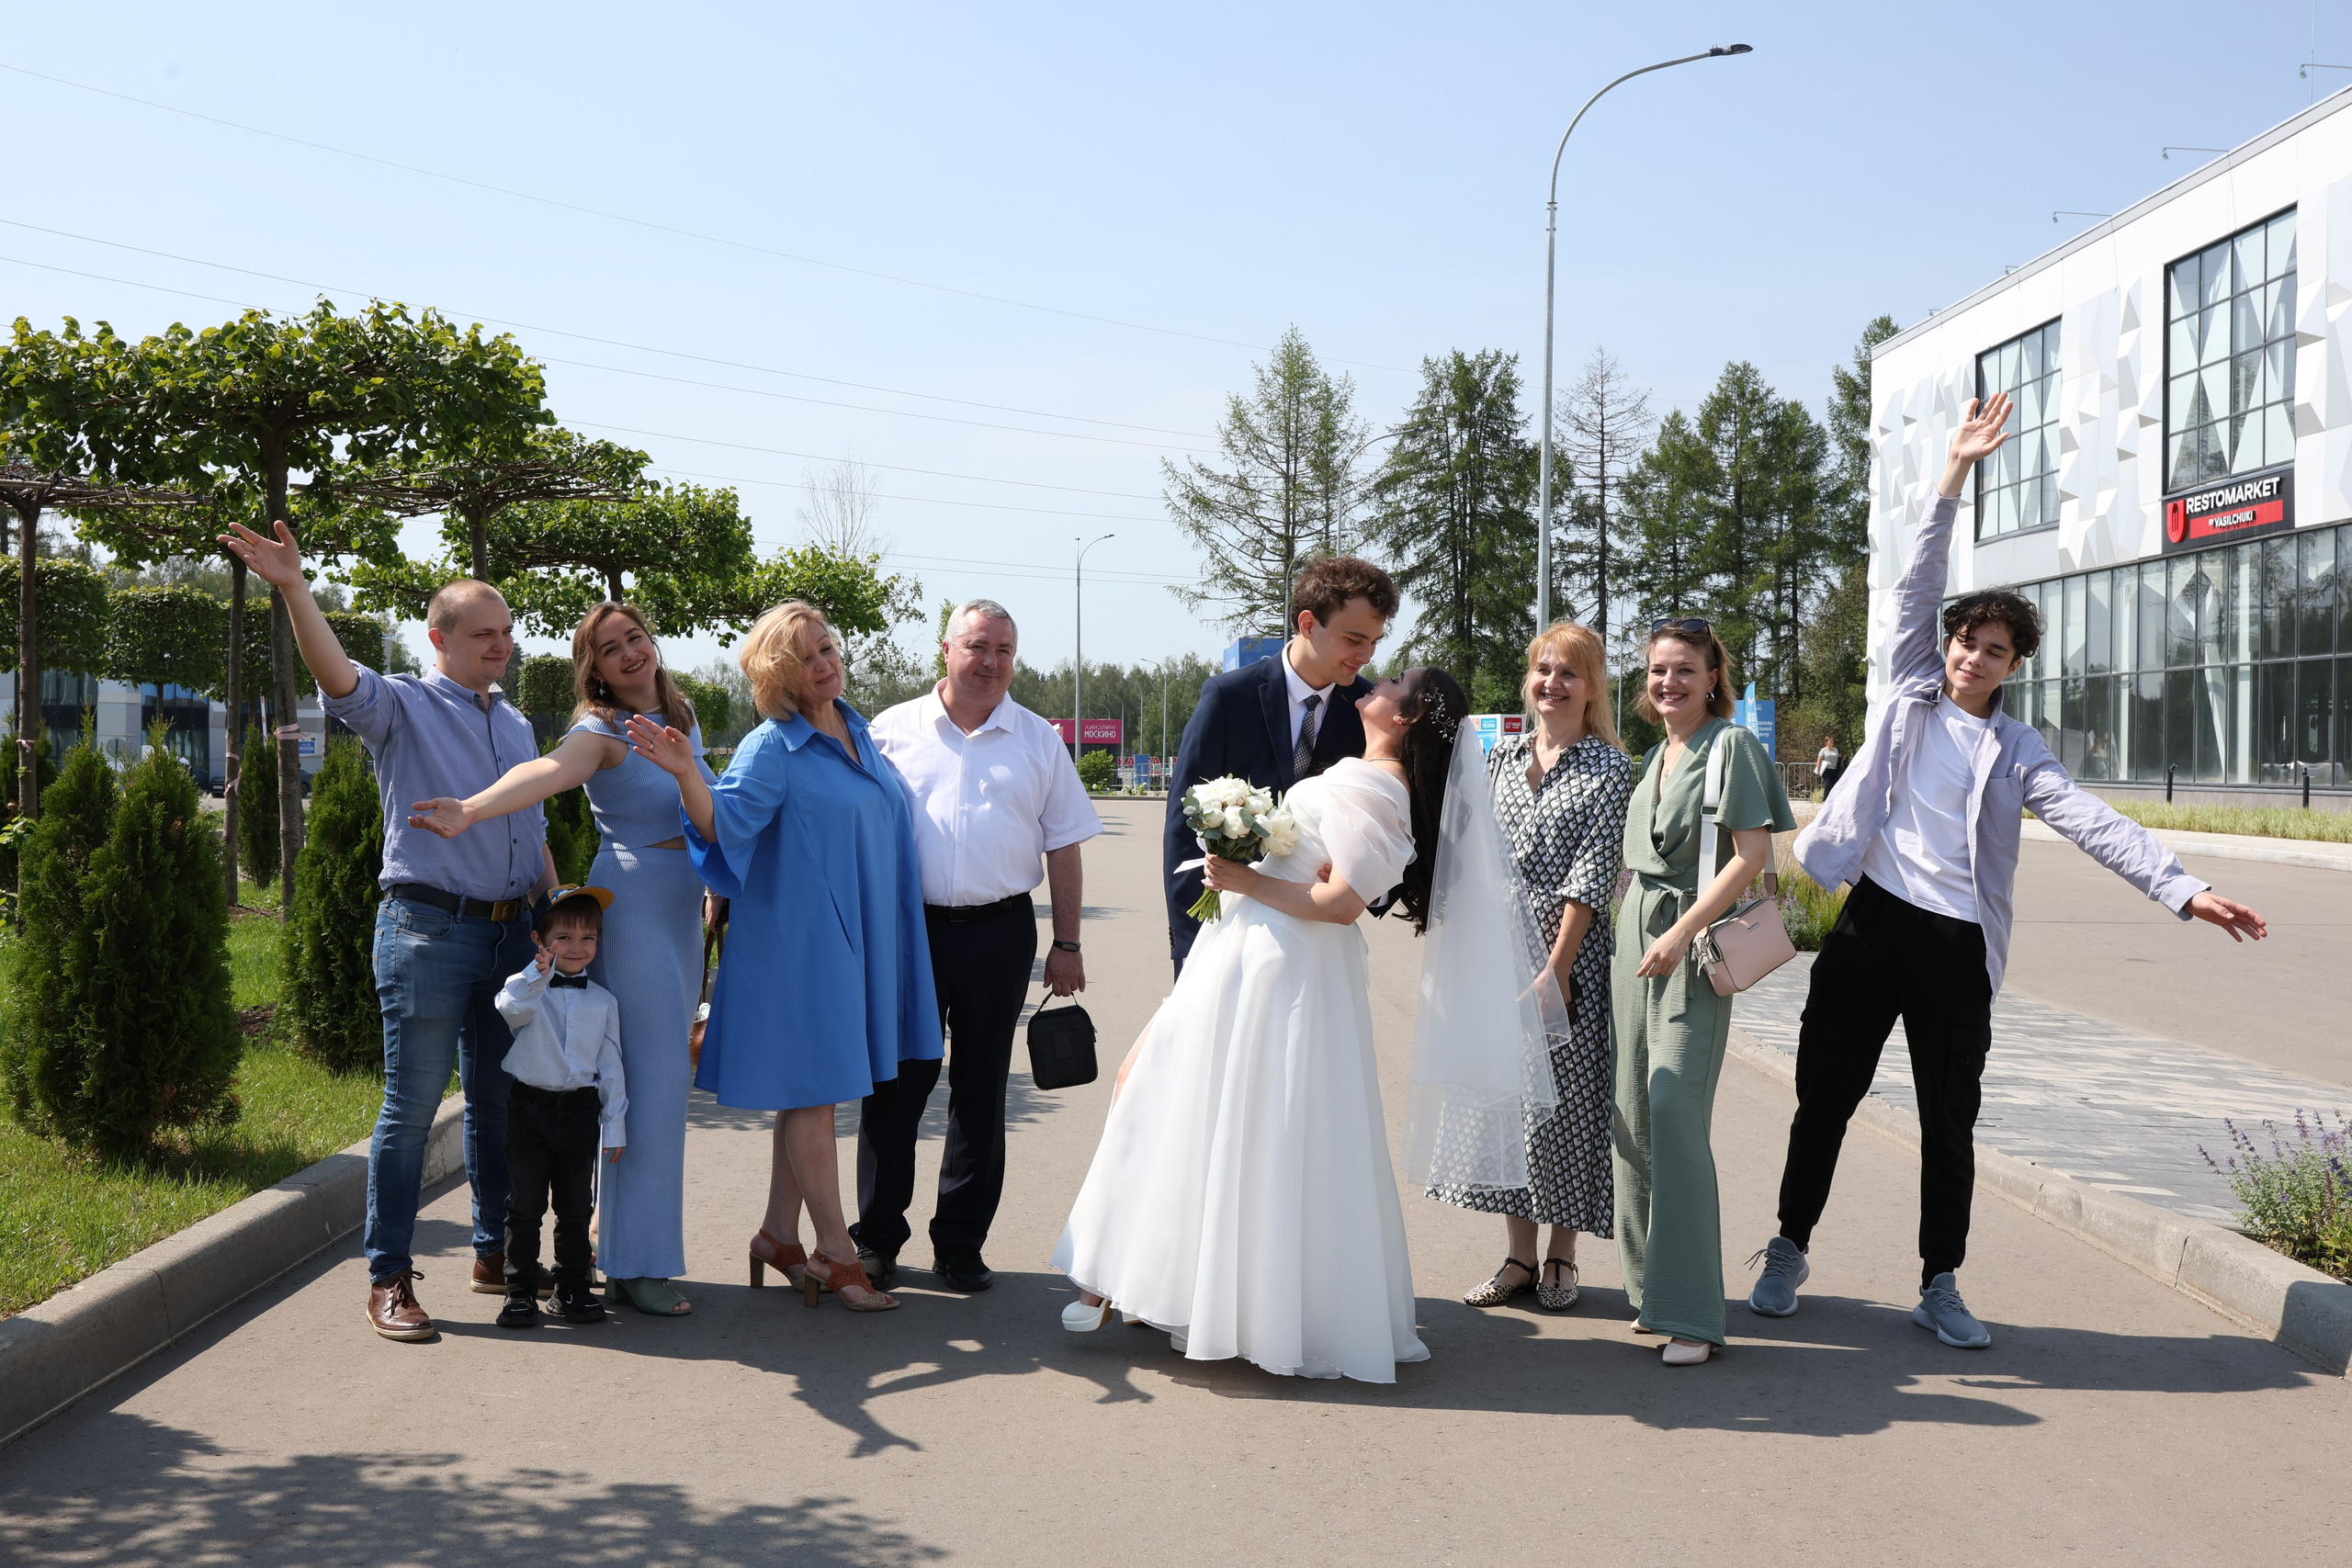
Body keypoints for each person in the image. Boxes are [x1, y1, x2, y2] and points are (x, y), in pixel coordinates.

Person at [1748, 392, 2268, 1348]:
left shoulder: (2020, 748)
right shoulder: (1907, 689)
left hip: (1955, 951)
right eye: (1963, 642)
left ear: (2012, 665)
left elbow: (2087, 819)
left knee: (1951, 1123)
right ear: (1942, 646)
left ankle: (1939, 1280)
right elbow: (1915, 579)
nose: (1971, 658)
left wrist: (2181, 887)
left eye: (1992, 650)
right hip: (1869, 925)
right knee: (1825, 1095)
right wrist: (1953, 472)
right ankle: (1788, 1244)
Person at [1054, 668, 1483, 1384]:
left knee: (1258, 1121)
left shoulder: (1384, 788)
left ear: (1406, 719)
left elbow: (1344, 899)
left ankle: (1227, 1299)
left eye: (1397, 680)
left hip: (1290, 963)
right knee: (1178, 1091)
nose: (1377, 678)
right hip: (1248, 949)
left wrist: (1246, 879)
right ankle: (1144, 1274)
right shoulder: (1360, 770)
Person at [220, 519, 558, 1344]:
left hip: (514, 937)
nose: (501, 646)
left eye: (508, 633)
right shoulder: (402, 705)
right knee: (410, 1108)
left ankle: (493, 1252)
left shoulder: (513, 722)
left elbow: (533, 824)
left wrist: (556, 909)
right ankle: (389, 1276)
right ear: (438, 639)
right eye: (484, 634)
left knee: (498, 1099)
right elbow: (337, 676)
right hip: (430, 930)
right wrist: (296, 587)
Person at [627, 601, 940, 1314]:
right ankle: (836, 1250)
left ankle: (776, 1233)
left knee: (814, 1090)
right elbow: (723, 825)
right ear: (779, 673)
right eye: (807, 657)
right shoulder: (774, 745)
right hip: (800, 944)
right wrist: (686, 773)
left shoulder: (855, 726)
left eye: (828, 647)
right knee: (815, 1090)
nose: (826, 662)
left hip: (857, 935)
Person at [406, 601, 716, 1318]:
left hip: (680, 906)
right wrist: (475, 809)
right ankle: (639, 1264)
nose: (630, 652)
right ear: (596, 670)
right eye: (611, 649)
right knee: (655, 1084)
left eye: (635, 637)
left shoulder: (682, 710)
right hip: (636, 911)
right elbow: (546, 772)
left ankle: (625, 1246)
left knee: (657, 1082)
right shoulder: (599, 732)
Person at [858, 599, 1101, 1292]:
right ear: (946, 649)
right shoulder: (891, 732)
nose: (990, 661)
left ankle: (960, 1242)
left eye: (1003, 649)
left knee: (981, 1088)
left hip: (1001, 930)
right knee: (895, 1084)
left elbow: (1065, 845)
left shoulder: (1036, 739)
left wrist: (1068, 941)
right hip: (910, 930)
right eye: (977, 645)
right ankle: (876, 1238)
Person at [1431, 622, 1634, 1314]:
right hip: (1499, 957)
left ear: (1592, 686)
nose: (1553, 682)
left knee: (1567, 1111)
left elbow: (1591, 875)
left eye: (1569, 673)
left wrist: (1556, 969)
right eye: (1543, 669)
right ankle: (1518, 1256)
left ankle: (1562, 1256)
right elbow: (1473, 857)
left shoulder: (1609, 767)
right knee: (1510, 1106)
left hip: (1565, 961)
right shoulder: (1500, 759)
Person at [1614, 619, 1795, 1366]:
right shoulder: (1657, 753)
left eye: (1684, 669)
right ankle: (1648, 1291)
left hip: (1687, 948)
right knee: (1631, 1112)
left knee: (1674, 1114)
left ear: (1713, 674)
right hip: (1636, 942)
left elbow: (1751, 856)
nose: (1668, 683)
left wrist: (1684, 930)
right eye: (1658, 670)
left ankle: (1692, 1311)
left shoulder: (1731, 745)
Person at [1162, 556, 1400, 974]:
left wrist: (1365, 883)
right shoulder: (1227, 697)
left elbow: (1389, 820)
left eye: (1375, 641)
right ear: (1308, 624)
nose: (1366, 655)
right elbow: (1183, 831)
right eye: (1354, 639)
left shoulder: (1367, 711)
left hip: (1317, 939)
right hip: (1224, 931)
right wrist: (1190, 945)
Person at [492, 886, 627, 1331]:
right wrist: (537, 972)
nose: (576, 948)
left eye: (587, 938)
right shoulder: (529, 990)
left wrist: (616, 1125)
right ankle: (520, 1292)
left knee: (575, 1209)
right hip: (528, 1109)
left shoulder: (604, 1002)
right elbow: (507, 1006)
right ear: (540, 940)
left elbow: (610, 1065)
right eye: (564, 937)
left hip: (580, 1114)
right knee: (524, 1207)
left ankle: (572, 1289)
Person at [1815, 733, 1843, 797]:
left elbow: (1838, 758)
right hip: (1826, 769)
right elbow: (1819, 759)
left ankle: (1832, 798)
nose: (1832, 742)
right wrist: (1818, 769)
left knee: (1834, 784)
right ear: (1827, 742)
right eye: (1830, 741)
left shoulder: (1836, 750)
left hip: (1834, 769)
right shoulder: (1823, 750)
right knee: (1828, 784)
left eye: (1833, 741)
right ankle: (1825, 798)